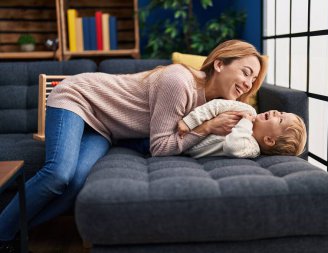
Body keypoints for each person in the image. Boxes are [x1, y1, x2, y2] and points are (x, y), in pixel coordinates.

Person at [0, 39, 268, 252]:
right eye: (246, 72)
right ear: (219, 64)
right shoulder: (179, 82)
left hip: (104, 127)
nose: (248, 83)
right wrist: (206, 128)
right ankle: (3, 233)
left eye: (253, 80)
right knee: (59, 174)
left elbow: (201, 138)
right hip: (78, 97)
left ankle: (9, 231)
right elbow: (162, 146)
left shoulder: (210, 104)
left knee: (77, 184)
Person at [178, 99, 307, 158]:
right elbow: (217, 105)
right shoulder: (248, 110)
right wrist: (190, 121)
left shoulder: (252, 148)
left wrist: (246, 122)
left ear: (268, 140)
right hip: (185, 122)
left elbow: (232, 146)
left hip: (184, 148)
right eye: (281, 112)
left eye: (280, 119)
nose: (276, 112)